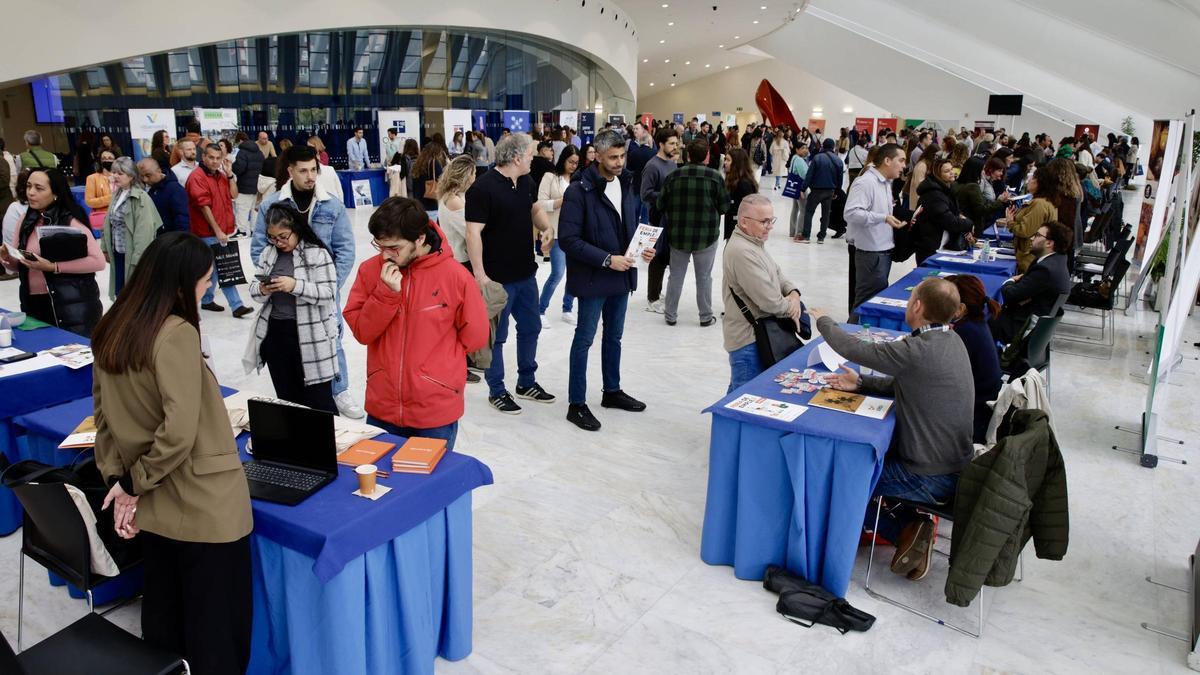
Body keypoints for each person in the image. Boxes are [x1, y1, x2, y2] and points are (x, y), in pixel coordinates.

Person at [91, 232, 252, 674]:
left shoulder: (113, 326)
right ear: (182, 284)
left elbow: (103, 422)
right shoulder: (175, 332)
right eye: (204, 282)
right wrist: (129, 486)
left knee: (165, 617)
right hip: (204, 505)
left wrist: (119, 483)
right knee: (216, 628)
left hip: (156, 508)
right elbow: (179, 431)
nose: (207, 290)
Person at [811, 277, 974, 581]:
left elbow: (852, 347)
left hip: (930, 475)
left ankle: (906, 529)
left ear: (917, 305)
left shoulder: (917, 350)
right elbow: (909, 383)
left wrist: (823, 321)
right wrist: (861, 383)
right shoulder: (952, 341)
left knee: (847, 479)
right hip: (955, 463)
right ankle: (911, 527)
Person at [344, 197, 489, 447]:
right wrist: (385, 295)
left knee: (430, 484)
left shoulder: (455, 277)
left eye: (394, 247)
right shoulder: (370, 271)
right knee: (381, 483)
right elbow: (362, 332)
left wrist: (436, 368)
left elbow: (475, 337)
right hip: (383, 407)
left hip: (434, 412)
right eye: (380, 246)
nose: (385, 255)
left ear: (420, 238)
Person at [253, 144, 361, 418]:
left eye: (314, 169)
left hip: (323, 292)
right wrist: (272, 275)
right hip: (283, 302)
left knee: (331, 341)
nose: (310, 176)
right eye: (303, 171)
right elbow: (258, 248)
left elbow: (345, 249)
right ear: (290, 171)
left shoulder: (331, 204)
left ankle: (340, 390)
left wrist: (329, 287)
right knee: (291, 353)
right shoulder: (272, 205)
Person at [557, 129, 655, 431]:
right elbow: (568, 240)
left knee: (614, 337)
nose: (619, 162)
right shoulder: (579, 191)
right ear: (596, 155)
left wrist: (641, 250)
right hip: (592, 277)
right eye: (612, 157)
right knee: (584, 340)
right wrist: (606, 259)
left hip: (621, 275)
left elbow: (628, 225)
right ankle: (577, 403)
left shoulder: (625, 184)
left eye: (622, 156)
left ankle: (611, 391)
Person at [465, 132, 556, 414]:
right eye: (530, 153)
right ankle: (497, 389)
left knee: (531, 327)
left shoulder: (526, 181)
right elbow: (472, 232)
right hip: (497, 279)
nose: (533, 157)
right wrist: (480, 275)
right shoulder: (483, 188)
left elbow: (535, 208)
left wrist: (546, 228)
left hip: (526, 273)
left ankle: (526, 382)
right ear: (517, 157)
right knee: (499, 337)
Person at [244, 203, 340, 412]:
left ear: (296, 229)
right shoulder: (268, 254)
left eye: (283, 236)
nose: (278, 242)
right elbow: (252, 290)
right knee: (287, 398)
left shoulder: (318, 254)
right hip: (276, 334)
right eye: (272, 237)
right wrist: (263, 288)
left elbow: (329, 293)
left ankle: (331, 442)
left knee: (320, 400)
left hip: (311, 336)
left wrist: (295, 285)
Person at [1, 168, 105, 335]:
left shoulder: (70, 221)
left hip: (69, 304)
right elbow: (18, 265)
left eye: (39, 188)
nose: (31, 192)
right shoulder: (25, 220)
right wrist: (6, 258)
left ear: (55, 193)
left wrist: (54, 266)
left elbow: (98, 261)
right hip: (32, 302)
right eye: (28, 186)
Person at [722, 194, 802, 391]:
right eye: (764, 221)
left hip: (760, 335)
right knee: (743, 400)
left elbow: (777, 272)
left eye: (771, 220)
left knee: (739, 395)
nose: (770, 226)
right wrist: (792, 307)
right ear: (744, 222)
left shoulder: (753, 243)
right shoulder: (742, 251)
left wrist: (793, 292)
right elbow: (770, 302)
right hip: (749, 340)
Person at [657, 139, 729, 327]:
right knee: (704, 277)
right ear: (707, 156)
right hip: (706, 236)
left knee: (676, 276)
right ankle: (705, 316)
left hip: (678, 235)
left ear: (688, 156)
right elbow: (724, 207)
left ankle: (670, 315)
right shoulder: (715, 177)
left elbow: (660, 204)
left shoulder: (673, 176)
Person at [187, 143, 252, 317]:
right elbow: (204, 207)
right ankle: (237, 306)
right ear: (204, 157)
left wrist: (230, 174)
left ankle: (206, 301)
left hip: (221, 230)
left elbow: (234, 195)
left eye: (218, 158)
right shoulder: (197, 177)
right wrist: (217, 231)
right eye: (211, 157)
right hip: (206, 232)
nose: (215, 161)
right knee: (222, 267)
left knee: (212, 268)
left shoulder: (221, 176)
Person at [844, 143, 908, 316]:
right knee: (865, 304)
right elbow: (851, 213)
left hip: (883, 251)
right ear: (887, 160)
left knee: (872, 303)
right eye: (901, 160)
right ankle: (850, 339)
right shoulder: (866, 182)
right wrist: (883, 218)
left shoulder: (886, 183)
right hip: (871, 254)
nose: (904, 165)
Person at [990, 221, 1072, 344]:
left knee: (974, 322)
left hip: (1018, 327)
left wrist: (1010, 280)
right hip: (1030, 324)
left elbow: (1010, 295)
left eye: (1038, 235)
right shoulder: (1056, 261)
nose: (1032, 238)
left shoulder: (1046, 270)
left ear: (1049, 243)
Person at [946, 274, 1003, 444]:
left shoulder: (964, 333)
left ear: (960, 309)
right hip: (979, 409)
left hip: (968, 421)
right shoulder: (975, 324)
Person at [101, 157, 162, 297]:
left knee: (133, 292)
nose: (115, 176)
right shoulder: (117, 194)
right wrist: (105, 247)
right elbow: (108, 223)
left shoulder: (141, 198)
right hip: (118, 251)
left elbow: (144, 232)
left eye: (120, 173)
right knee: (121, 291)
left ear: (131, 176)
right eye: (114, 172)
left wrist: (138, 259)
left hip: (133, 254)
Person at [537, 145, 580, 325]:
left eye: (576, 163)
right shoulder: (550, 177)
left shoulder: (579, 179)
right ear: (563, 160)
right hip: (554, 231)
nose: (573, 166)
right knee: (557, 273)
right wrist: (561, 202)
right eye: (570, 162)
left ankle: (567, 308)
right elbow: (540, 203)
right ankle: (540, 310)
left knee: (574, 273)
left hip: (575, 232)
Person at [640, 127, 679, 314]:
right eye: (671, 143)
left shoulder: (672, 164)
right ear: (661, 144)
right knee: (656, 257)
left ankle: (658, 291)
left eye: (676, 143)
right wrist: (666, 195)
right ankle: (652, 297)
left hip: (671, 218)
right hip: (657, 217)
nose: (674, 146)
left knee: (665, 258)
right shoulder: (652, 166)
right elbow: (645, 194)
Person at [996, 167, 1059, 274]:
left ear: (1040, 183)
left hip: (1029, 257)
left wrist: (1010, 221)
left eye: (1033, 178)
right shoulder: (1044, 201)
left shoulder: (1039, 204)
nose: (1029, 180)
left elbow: (1024, 231)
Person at [913, 158, 975, 264]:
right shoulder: (934, 195)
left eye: (952, 169)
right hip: (932, 249)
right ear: (937, 174)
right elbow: (949, 221)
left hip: (940, 245)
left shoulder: (945, 190)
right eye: (947, 171)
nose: (952, 173)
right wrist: (968, 223)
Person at [801, 138, 845, 243]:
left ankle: (806, 236)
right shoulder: (838, 160)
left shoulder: (817, 158)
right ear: (833, 147)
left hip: (816, 190)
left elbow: (809, 175)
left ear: (823, 146)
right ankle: (821, 237)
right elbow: (840, 179)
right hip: (830, 191)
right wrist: (837, 191)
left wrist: (803, 188)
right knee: (826, 214)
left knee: (809, 212)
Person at [953, 156, 1009, 236]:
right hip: (971, 226)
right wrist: (999, 201)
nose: (983, 172)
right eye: (982, 169)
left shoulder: (955, 184)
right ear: (976, 170)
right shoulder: (973, 187)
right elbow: (981, 210)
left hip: (961, 223)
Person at [437, 155, 476, 265]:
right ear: (468, 175)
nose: (475, 177)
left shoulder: (451, 193)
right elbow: (469, 232)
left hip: (455, 256)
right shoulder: (453, 200)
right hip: (459, 258)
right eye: (474, 173)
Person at [138, 158, 189, 236]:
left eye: (148, 175)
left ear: (159, 171)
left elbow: (182, 219)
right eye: (142, 176)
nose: (145, 179)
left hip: (170, 241)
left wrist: (180, 242)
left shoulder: (175, 189)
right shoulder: (148, 188)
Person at [231, 134, 264, 237]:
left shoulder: (242, 152)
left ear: (240, 141)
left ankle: (241, 230)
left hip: (244, 186)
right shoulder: (259, 152)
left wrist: (232, 166)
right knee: (254, 210)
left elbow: (239, 169)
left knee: (242, 209)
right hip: (257, 186)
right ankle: (254, 230)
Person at [723, 148, 758, 241]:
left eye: (728, 160)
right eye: (725, 159)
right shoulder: (732, 181)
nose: (725, 163)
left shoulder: (744, 184)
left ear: (737, 163)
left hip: (740, 232)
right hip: (733, 229)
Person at [412, 142, 445, 220]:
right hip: (431, 202)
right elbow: (440, 179)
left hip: (418, 202)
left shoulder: (418, 163)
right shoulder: (434, 163)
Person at [85, 149, 117, 226]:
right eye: (104, 158)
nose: (107, 160)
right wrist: (111, 198)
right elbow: (89, 201)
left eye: (110, 158)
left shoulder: (122, 176)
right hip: (105, 219)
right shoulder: (92, 178)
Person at [787, 143, 810, 242]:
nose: (805, 150)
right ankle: (799, 232)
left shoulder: (794, 158)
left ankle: (792, 231)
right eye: (802, 148)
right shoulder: (800, 160)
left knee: (795, 208)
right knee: (803, 210)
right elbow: (805, 175)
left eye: (806, 148)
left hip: (794, 185)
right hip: (801, 187)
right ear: (797, 149)